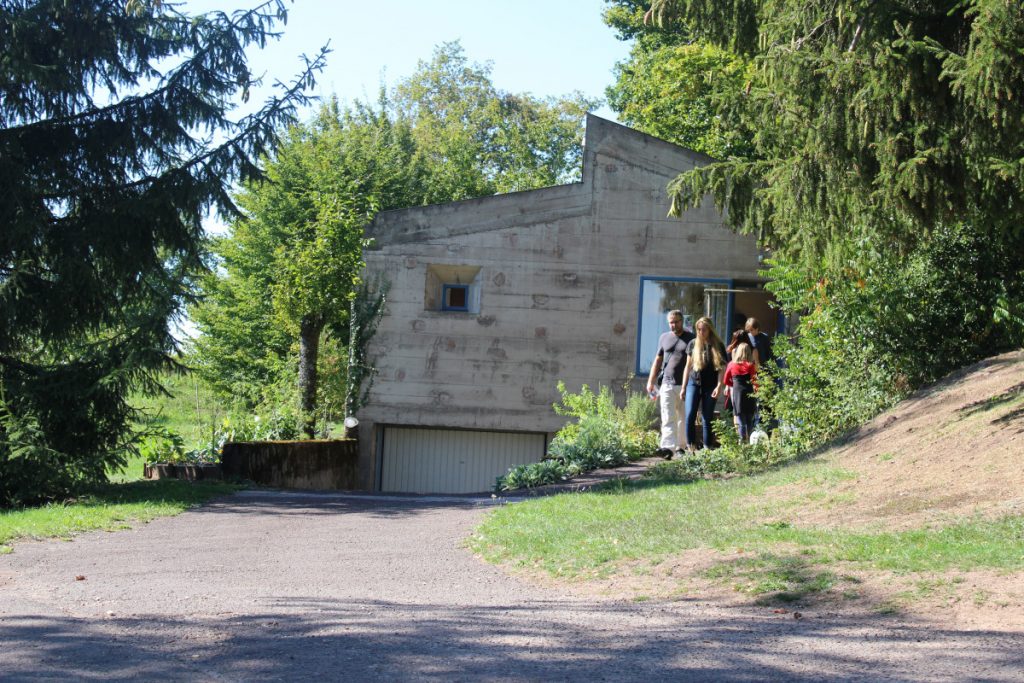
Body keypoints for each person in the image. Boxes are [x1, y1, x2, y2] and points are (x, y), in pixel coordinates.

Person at [646, 310, 695, 458]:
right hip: (667, 383)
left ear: (682, 321)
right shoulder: (664, 337)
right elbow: (658, 360)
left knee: (683, 417)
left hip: (686, 384)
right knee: (668, 416)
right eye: (671, 322)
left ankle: (680, 448)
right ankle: (667, 448)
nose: (673, 325)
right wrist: (651, 381)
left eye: (676, 322)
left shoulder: (692, 338)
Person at [679, 316, 727, 451]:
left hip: (711, 384)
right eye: (699, 329)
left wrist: (719, 385)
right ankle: (691, 447)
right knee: (690, 414)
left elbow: (722, 368)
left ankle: (707, 447)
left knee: (707, 416)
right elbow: (687, 367)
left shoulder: (718, 345)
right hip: (694, 382)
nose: (701, 332)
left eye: (704, 329)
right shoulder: (693, 344)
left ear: (710, 330)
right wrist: (683, 387)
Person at [723, 343, 758, 442]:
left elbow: (725, 380)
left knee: (741, 420)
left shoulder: (731, 364)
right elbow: (754, 381)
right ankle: (750, 440)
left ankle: (742, 441)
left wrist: (734, 384)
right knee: (749, 419)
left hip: (738, 394)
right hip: (749, 394)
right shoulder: (751, 365)